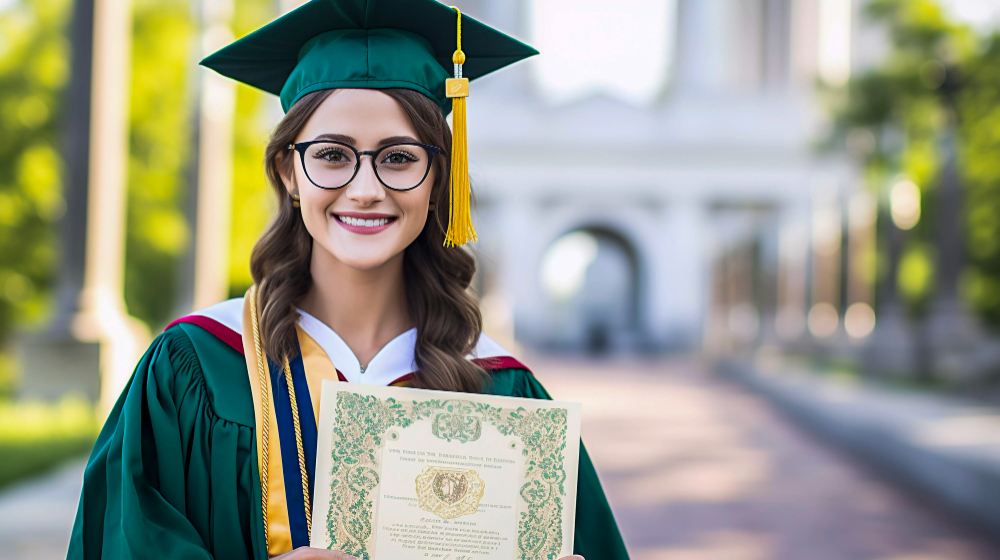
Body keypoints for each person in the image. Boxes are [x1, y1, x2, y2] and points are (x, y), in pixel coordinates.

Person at [68, 1, 630, 558]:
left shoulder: (506, 393)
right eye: (333, 155)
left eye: (399, 158)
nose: (365, 189)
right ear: (289, 172)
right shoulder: (197, 365)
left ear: (438, 178)